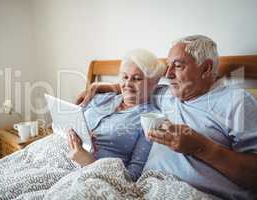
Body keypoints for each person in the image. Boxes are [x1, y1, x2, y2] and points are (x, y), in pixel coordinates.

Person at [76, 35, 257, 200]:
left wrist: (201, 148)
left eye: (177, 66)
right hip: (144, 189)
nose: (168, 74)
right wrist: (106, 86)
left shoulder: (237, 102)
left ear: (206, 68)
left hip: (195, 193)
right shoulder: (166, 94)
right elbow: (133, 85)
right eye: (168, 65)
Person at [67, 49, 167, 181]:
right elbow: (71, 122)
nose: (128, 84)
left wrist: (88, 162)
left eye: (137, 79)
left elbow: (133, 175)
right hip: (60, 156)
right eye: (125, 77)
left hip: (94, 174)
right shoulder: (102, 98)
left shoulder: (150, 119)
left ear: (153, 84)